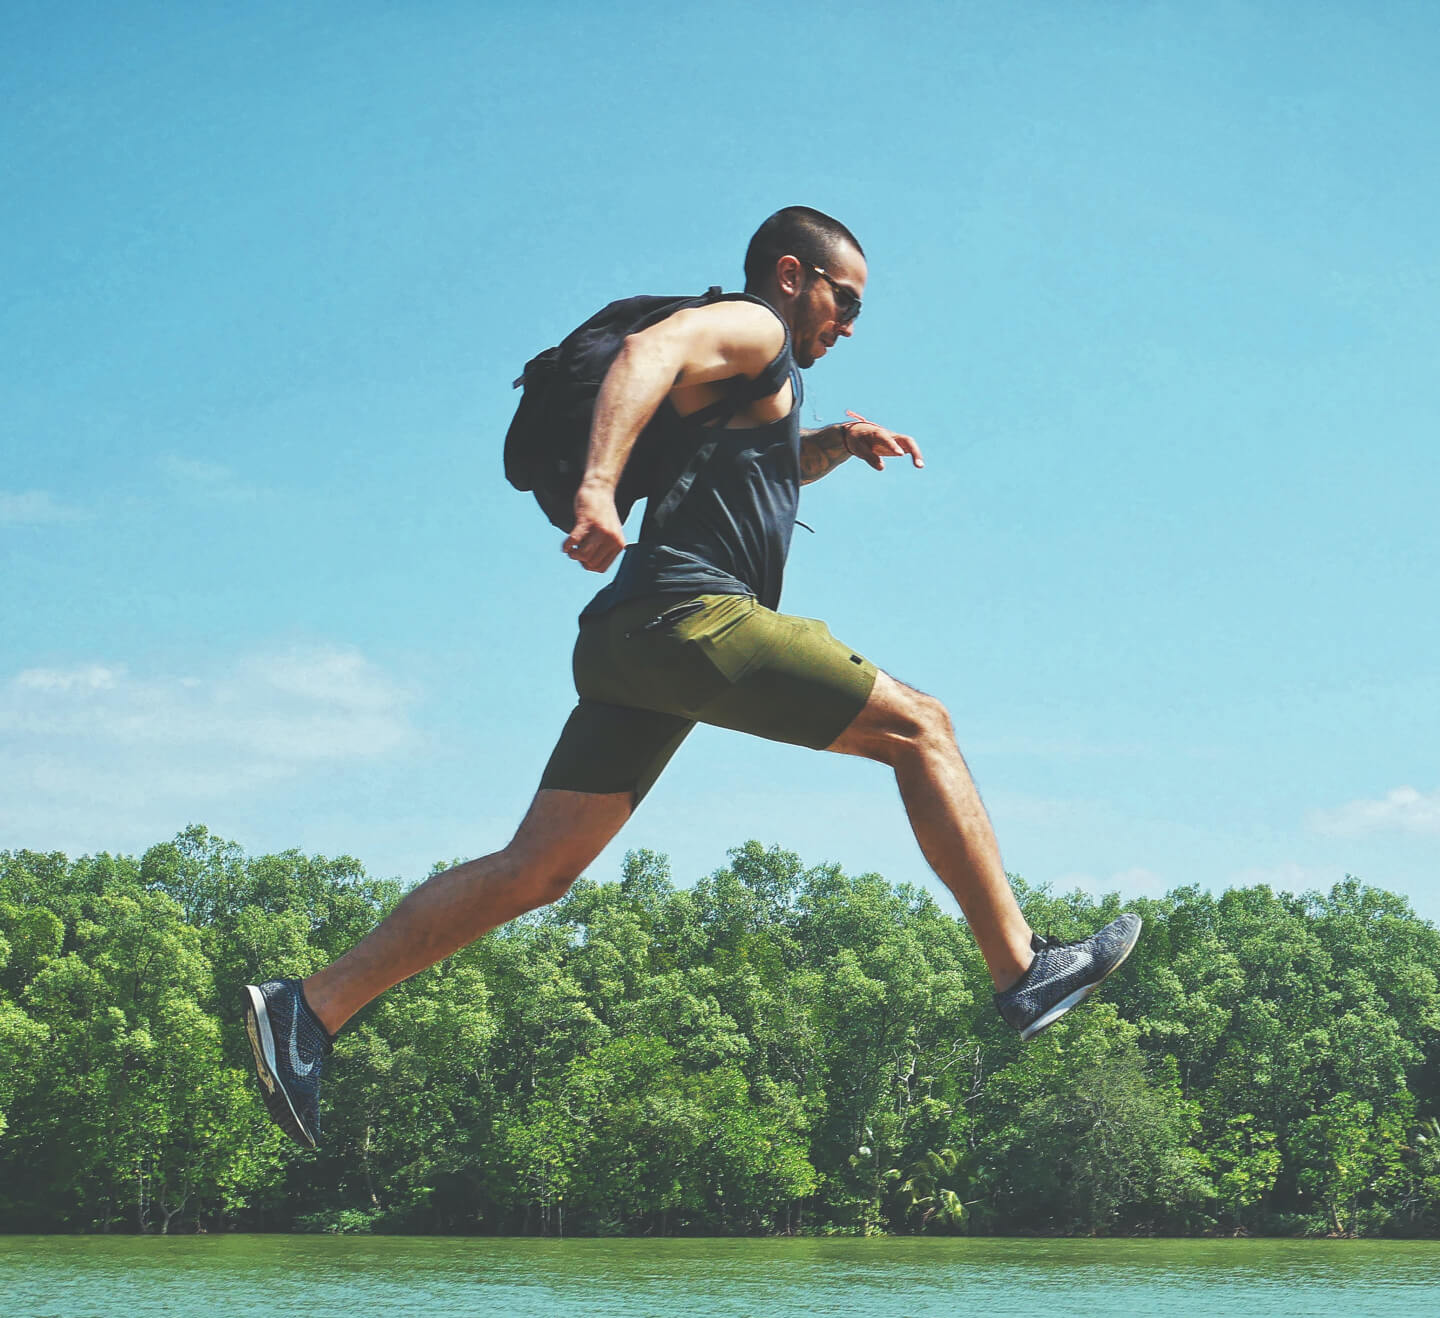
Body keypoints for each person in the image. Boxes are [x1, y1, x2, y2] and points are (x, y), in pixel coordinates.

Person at [243, 206, 1140, 1149]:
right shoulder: (751, 325)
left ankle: (309, 1009)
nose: (848, 326)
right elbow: (647, 355)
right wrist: (596, 488)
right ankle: (1023, 969)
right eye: (846, 302)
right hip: (688, 620)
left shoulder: (750, 385)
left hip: (629, 643)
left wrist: (830, 446)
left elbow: (748, 470)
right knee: (922, 726)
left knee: (535, 870)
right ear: (792, 275)